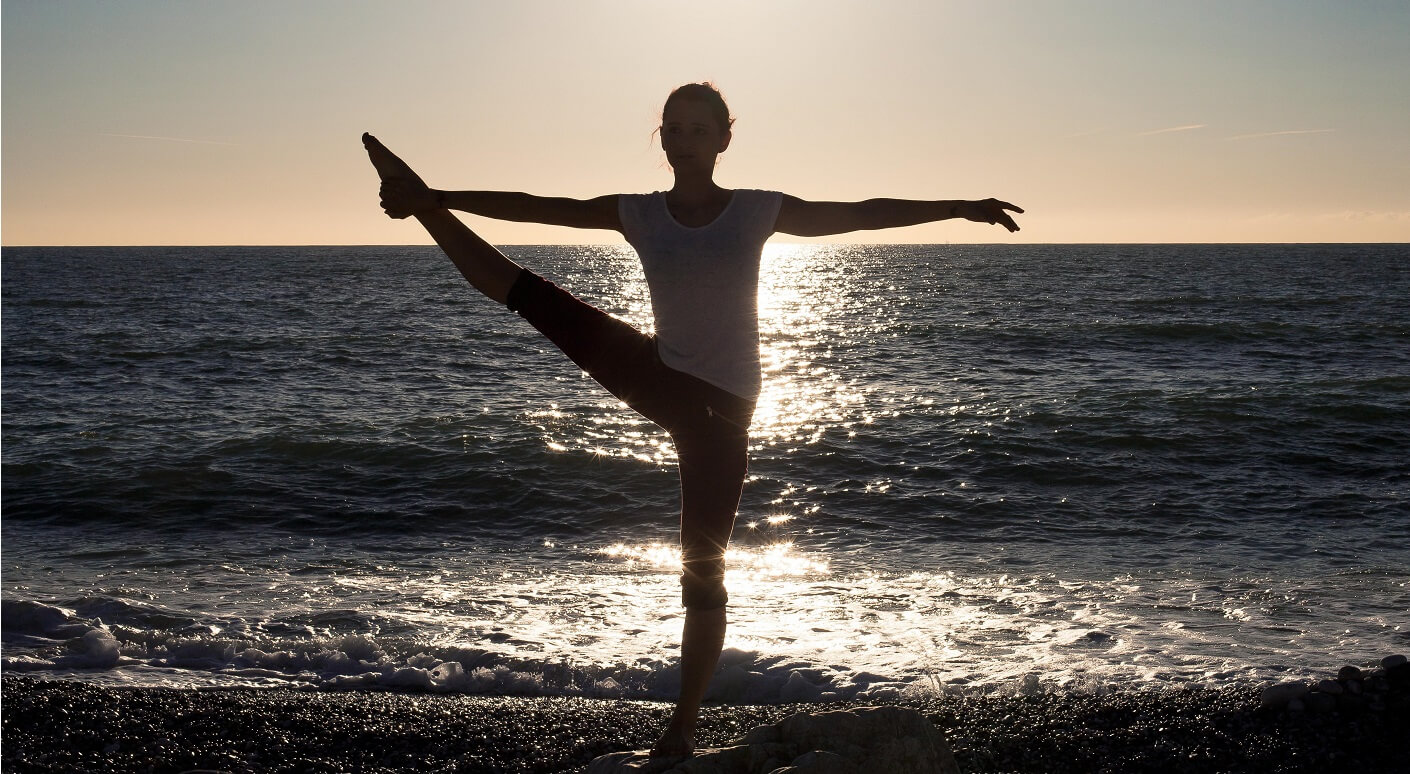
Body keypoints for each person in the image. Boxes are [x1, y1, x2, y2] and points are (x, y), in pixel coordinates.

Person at [363, 82, 1021, 758]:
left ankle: (680, 730)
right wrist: (437, 196)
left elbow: (857, 213)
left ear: (723, 139)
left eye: (697, 130)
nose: (683, 142)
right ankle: (422, 207)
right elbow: (539, 207)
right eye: (672, 130)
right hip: (660, 373)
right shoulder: (641, 214)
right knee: (530, 294)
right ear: (664, 139)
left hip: (721, 413)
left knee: (702, 572)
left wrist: (959, 206)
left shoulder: (757, 211)